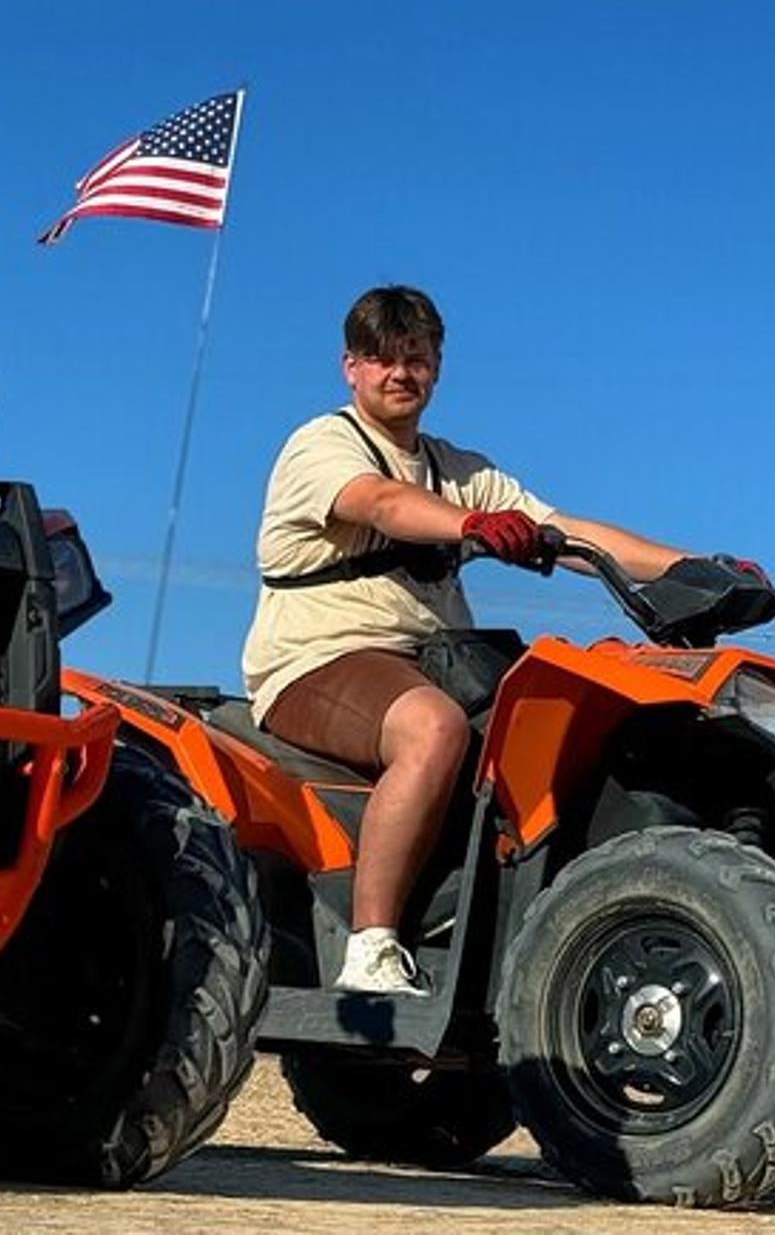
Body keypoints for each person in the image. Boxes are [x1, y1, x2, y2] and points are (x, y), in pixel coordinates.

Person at [241, 285, 715, 996]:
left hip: (430, 663)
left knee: (565, 728)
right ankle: (371, 947)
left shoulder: (457, 468)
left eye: (417, 357)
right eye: (381, 358)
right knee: (433, 731)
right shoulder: (324, 443)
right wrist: (467, 525)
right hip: (320, 660)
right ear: (350, 367)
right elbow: (380, 502)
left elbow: (570, 533)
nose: (400, 373)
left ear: (437, 366)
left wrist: (697, 569)